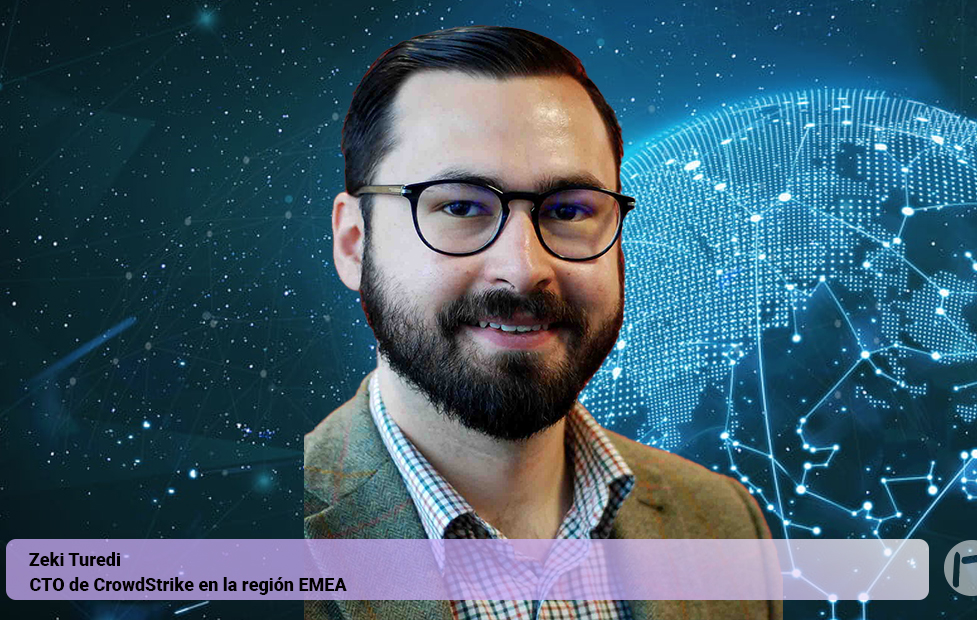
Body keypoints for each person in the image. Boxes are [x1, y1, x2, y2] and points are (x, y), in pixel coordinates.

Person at [304, 25, 781, 620]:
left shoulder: (725, 524)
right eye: (460, 206)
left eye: (570, 210)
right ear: (353, 243)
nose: (525, 270)